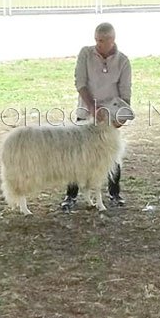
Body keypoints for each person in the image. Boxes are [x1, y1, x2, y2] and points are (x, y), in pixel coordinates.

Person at [60, 22, 132, 211]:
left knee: (110, 154)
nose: (98, 44)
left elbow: (125, 93)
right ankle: (71, 195)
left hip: (110, 117)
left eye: (102, 41)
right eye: (96, 40)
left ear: (112, 40)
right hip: (86, 113)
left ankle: (114, 193)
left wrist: (120, 117)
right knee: (76, 155)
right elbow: (80, 83)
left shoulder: (123, 61)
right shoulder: (86, 54)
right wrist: (93, 109)